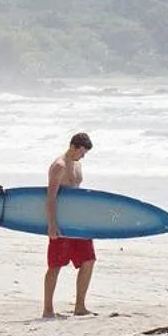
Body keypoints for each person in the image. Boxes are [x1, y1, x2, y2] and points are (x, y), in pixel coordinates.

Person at [43, 132, 95, 318]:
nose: (83, 156)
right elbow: (50, 198)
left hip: (78, 223)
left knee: (89, 260)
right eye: (82, 152)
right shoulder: (59, 166)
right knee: (56, 265)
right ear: (73, 147)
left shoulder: (77, 164)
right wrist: (52, 225)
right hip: (61, 224)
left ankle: (80, 306)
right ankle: (48, 309)